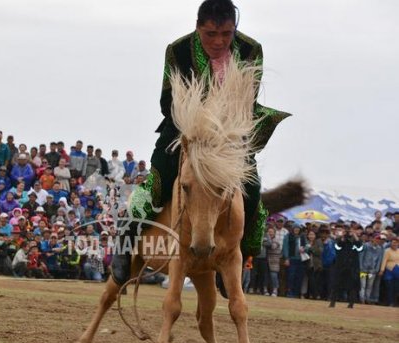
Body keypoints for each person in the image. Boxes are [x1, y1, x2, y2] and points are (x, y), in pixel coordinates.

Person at [111, 0, 291, 286]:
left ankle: (238, 253)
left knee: (252, 188)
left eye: (226, 34)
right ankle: (126, 240)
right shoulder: (177, 50)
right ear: (198, 28)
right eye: (210, 34)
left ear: (235, 28)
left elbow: (248, 99)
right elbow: (167, 101)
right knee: (158, 183)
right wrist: (196, 124)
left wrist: (225, 129)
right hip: (184, 132)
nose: (219, 41)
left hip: (229, 137)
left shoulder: (250, 50)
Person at [329, 226, 363, 308]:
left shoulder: (356, 241)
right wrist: (342, 237)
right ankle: (332, 302)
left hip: (352, 267)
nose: (348, 233)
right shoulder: (340, 240)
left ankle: (351, 303)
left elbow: (360, 248)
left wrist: (355, 236)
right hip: (340, 266)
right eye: (347, 231)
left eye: (350, 231)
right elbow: (337, 247)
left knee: (352, 286)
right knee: (336, 285)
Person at [378, 236, 399, 307]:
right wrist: (382, 270)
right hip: (389, 270)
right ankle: (390, 302)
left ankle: (394, 301)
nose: (394, 244)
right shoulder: (387, 251)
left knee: (396, 287)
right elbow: (384, 260)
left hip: (397, 270)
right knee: (389, 287)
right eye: (393, 243)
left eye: (396, 243)